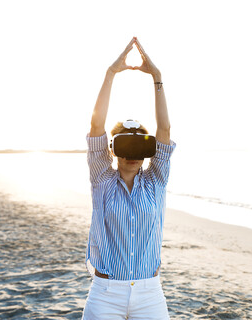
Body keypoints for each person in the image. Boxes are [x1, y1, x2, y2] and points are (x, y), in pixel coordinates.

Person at [82, 37, 175, 320]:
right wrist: (111, 73)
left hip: (150, 294)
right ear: (114, 148)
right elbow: (96, 124)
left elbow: (165, 129)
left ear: (148, 149)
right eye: (125, 146)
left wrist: (157, 78)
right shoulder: (102, 178)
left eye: (139, 146)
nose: (132, 155)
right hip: (106, 293)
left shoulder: (156, 181)